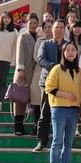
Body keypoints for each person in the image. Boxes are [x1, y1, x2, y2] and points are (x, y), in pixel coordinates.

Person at [45, 42, 81, 163]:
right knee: (57, 142)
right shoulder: (56, 69)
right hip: (59, 108)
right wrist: (65, 94)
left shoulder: (80, 72)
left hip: (73, 111)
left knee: (68, 144)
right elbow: (49, 87)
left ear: (76, 53)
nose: (71, 52)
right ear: (63, 52)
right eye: (68, 50)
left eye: (73, 50)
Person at [33, 19, 67, 153]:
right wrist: (56, 68)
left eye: (61, 27)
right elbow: (41, 59)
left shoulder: (68, 45)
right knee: (45, 112)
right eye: (56, 27)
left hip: (64, 84)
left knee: (62, 113)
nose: (58, 29)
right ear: (52, 30)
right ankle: (42, 141)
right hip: (48, 83)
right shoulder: (45, 44)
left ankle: (62, 142)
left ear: (64, 30)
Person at [13, 15, 39, 135]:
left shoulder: (40, 36)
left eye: (35, 23)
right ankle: (18, 126)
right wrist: (20, 70)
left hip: (36, 73)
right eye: (30, 23)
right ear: (26, 24)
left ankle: (36, 126)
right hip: (23, 73)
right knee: (20, 100)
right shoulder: (23, 36)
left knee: (34, 99)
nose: (33, 25)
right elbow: (19, 54)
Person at [30, 19, 53, 136]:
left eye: (50, 27)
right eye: (46, 27)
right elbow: (36, 56)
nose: (48, 29)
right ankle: (37, 126)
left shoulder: (57, 41)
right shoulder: (40, 40)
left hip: (55, 76)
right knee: (38, 103)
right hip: (40, 73)